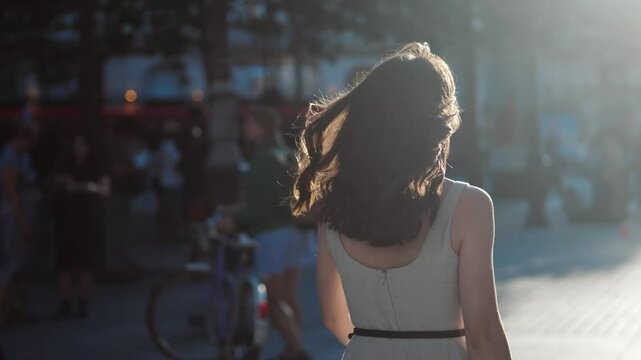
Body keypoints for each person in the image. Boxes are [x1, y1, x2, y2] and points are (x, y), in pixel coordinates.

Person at [290, 43, 512, 359]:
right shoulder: (469, 206)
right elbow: (484, 336)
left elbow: (333, 318)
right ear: (441, 123)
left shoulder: (332, 207)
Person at [217, 107, 310, 360]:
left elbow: (261, 206)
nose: (246, 130)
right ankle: (294, 345)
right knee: (289, 296)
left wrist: (234, 219)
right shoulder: (285, 153)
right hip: (298, 230)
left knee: (274, 297)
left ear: (260, 127)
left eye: (249, 125)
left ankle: (297, 348)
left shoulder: (261, 157)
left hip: (274, 233)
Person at [53, 133, 109, 318]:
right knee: (65, 263)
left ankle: (83, 302)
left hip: (87, 218)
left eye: (81, 144)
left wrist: (87, 187)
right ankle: (65, 302)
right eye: (75, 144)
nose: (78, 148)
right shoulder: (65, 162)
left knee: (86, 263)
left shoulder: (96, 165)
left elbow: (104, 189)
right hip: (67, 218)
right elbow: (58, 182)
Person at [0, 123, 40, 324]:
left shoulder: (22, 155)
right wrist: (22, 220)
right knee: (10, 263)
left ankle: (18, 306)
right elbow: (11, 191)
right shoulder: (10, 157)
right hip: (14, 217)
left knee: (22, 263)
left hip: (24, 213)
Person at [153, 122, 184, 243]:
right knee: (171, 211)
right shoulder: (169, 147)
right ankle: (169, 235)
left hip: (166, 182)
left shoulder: (163, 147)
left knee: (166, 211)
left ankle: (167, 235)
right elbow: (176, 164)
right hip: (172, 183)